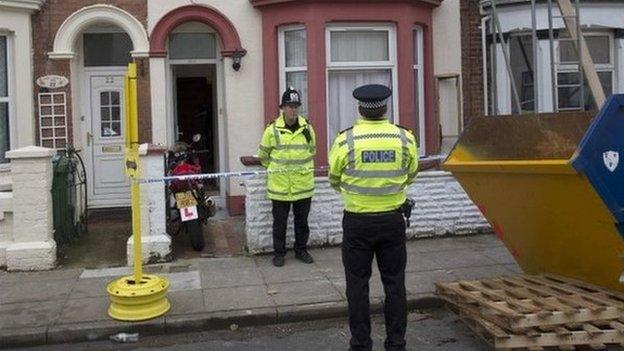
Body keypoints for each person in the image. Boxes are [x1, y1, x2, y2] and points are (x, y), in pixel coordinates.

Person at [328, 84, 418, 351]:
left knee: (357, 286)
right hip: (392, 221)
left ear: (360, 109)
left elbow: (334, 178)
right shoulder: (404, 138)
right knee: (395, 285)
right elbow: (410, 173)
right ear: (385, 108)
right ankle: (396, 344)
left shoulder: (347, 140)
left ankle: (361, 345)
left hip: (357, 223)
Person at [258, 87, 316, 267]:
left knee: (302, 223)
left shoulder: (307, 128)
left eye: (296, 106)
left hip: (302, 185)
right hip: (280, 187)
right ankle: (279, 254)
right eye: (289, 106)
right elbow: (263, 156)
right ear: (282, 108)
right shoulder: (272, 129)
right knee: (280, 224)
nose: (293, 110)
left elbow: (312, 151)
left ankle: (301, 250)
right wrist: (276, 170)